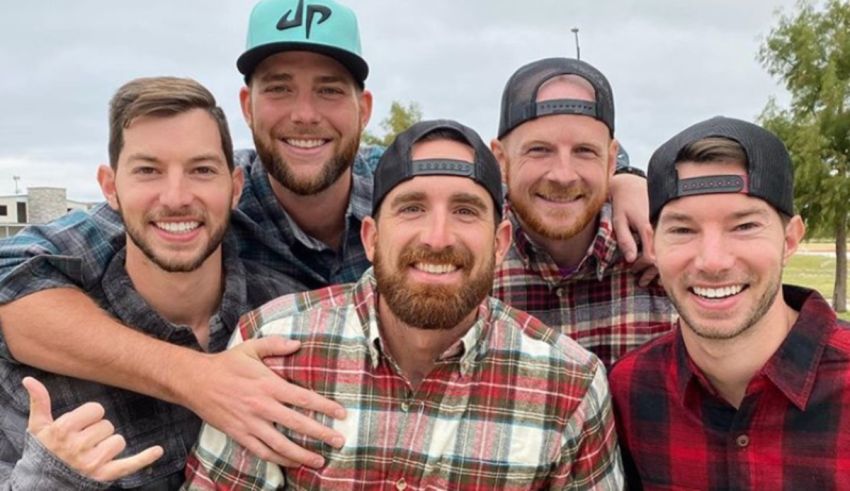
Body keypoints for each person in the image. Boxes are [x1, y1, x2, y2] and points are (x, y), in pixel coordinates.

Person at [0, 0, 648, 468]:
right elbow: (15, 275)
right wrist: (195, 376)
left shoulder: (398, 189)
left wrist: (623, 177)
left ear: (363, 110)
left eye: (329, 90)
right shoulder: (201, 201)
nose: (305, 114)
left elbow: (520, 171)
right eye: (280, 88)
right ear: (248, 105)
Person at [183, 119, 623, 490]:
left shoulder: (569, 386)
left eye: (466, 211)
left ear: (500, 242)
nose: (437, 237)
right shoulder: (274, 345)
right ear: (372, 238)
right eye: (412, 208)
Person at [0, 77, 285, 488]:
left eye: (202, 170)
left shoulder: (288, 320)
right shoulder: (37, 370)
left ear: (235, 187)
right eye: (148, 171)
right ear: (110, 188)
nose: (176, 197)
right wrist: (49, 477)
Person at [608, 116, 850, 489]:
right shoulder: (630, 390)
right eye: (683, 230)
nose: (713, 261)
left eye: (744, 226)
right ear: (654, 243)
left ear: (789, 240)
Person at [490, 57, 675, 369]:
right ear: (501, 160)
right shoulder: (470, 270)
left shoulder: (662, 259)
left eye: (584, 151)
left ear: (611, 160)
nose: (563, 175)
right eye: (539, 150)